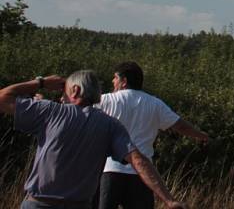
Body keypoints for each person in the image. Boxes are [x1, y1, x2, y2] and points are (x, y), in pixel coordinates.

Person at [0, 71, 187, 209]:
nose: (60, 96)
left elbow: (3, 98)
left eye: (62, 91)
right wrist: (169, 200)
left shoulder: (50, 111)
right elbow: (138, 161)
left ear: (75, 90)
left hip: (39, 204)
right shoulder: (110, 125)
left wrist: (40, 82)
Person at [95, 62, 208, 209]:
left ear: (124, 81)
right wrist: (201, 135)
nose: (112, 81)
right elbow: (179, 125)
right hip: (143, 176)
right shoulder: (155, 104)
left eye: (115, 78)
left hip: (110, 171)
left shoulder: (106, 100)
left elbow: (81, 115)